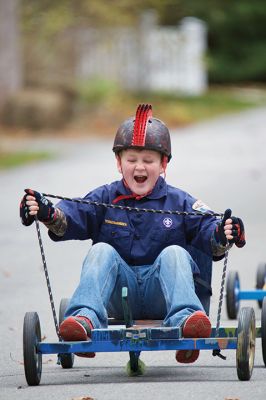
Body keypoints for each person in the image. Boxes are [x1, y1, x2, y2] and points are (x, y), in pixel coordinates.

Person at [20, 104, 246, 364]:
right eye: (131, 160)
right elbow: (70, 217)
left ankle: (186, 320)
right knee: (100, 250)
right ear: (119, 163)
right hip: (119, 297)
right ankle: (85, 319)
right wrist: (47, 212)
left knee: (175, 253)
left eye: (148, 160)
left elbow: (210, 234)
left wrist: (224, 233)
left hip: (164, 297)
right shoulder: (104, 198)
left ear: (163, 164)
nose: (140, 167)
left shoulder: (180, 201)